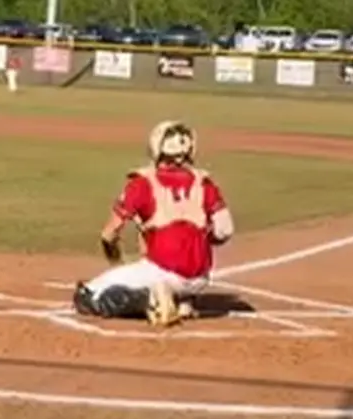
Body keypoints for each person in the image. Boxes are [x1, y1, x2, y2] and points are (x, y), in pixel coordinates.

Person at [72, 121, 234, 327]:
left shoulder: (144, 183)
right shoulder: (204, 182)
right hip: (200, 278)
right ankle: (184, 300)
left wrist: (111, 249)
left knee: (87, 296)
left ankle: (151, 301)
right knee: (167, 276)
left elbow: (109, 233)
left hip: (161, 270)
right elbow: (224, 230)